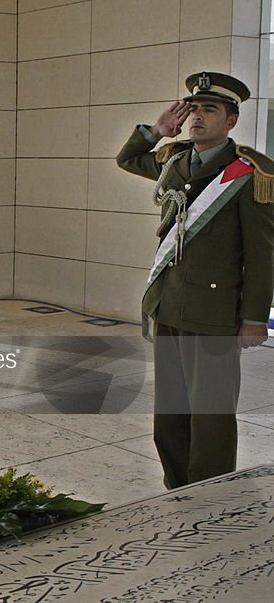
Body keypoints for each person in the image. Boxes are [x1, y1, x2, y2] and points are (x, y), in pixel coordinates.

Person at [116, 71, 274, 489]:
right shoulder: (174, 159)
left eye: (211, 109)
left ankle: (209, 491)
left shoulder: (250, 172)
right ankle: (176, 483)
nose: (198, 116)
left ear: (231, 120)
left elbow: (262, 257)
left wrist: (255, 317)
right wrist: (158, 130)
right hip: (168, 304)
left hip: (214, 312)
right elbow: (128, 159)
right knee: (170, 408)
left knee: (211, 412)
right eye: (194, 108)